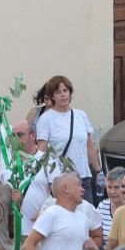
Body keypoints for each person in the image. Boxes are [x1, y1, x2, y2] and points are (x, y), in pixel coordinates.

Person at [24, 174, 102, 250]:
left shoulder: (83, 219)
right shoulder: (51, 213)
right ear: (65, 188)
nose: (82, 189)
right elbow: (28, 246)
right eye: (78, 185)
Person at [33, 75, 101, 203]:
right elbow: (42, 152)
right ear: (52, 96)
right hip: (61, 180)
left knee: (87, 218)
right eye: (58, 92)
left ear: (70, 93)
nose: (63, 95)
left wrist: (98, 171)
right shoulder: (46, 119)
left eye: (65, 91)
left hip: (83, 177)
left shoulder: (81, 115)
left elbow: (90, 146)